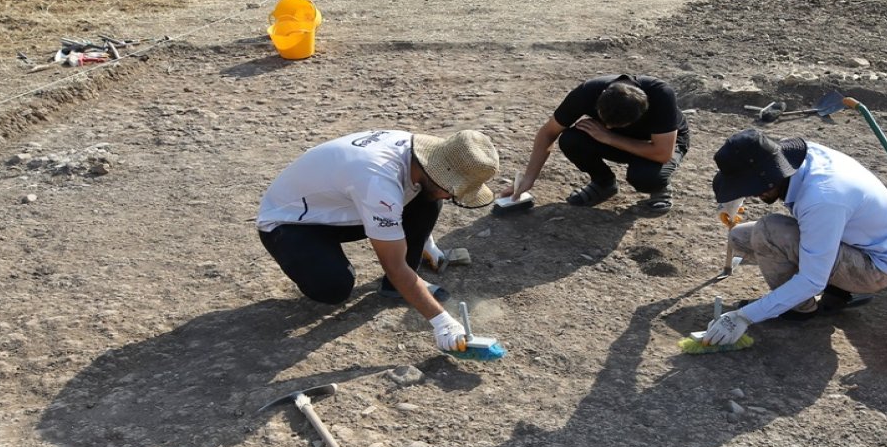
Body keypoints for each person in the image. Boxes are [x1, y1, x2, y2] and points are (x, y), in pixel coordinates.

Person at [256, 128, 500, 352]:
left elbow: (417, 192)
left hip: (343, 206)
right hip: (290, 223)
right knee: (334, 288)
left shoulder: (418, 157)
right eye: (452, 188)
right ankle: (330, 262)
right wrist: (443, 323)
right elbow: (394, 266)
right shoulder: (378, 183)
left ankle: (400, 288)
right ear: (437, 170)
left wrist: (423, 240)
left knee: (430, 197)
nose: (452, 195)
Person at [702, 129, 887, 346]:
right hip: (859, 239)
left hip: (876, 266)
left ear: (769, 177)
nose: (753, 194)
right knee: (739, 237)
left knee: (768, 232)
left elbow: (813, 280)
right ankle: (836, 290)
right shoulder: (794, 162)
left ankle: (800, 308)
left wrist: (744, 316)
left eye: (752, 188)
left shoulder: (822, 198)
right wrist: (733, 198)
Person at [503, 74, 689, 214]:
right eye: (604, 120)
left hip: (659, 144)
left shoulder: (661, 95)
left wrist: (609, 137)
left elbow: (662, 152)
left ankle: (659, 187)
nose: (607, 126)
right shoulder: (587, 92)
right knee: (570, 139)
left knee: (645, 178)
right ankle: (604, 183)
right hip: (610, 138)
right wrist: (528, 178)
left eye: (617, 126)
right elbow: (548, 133)